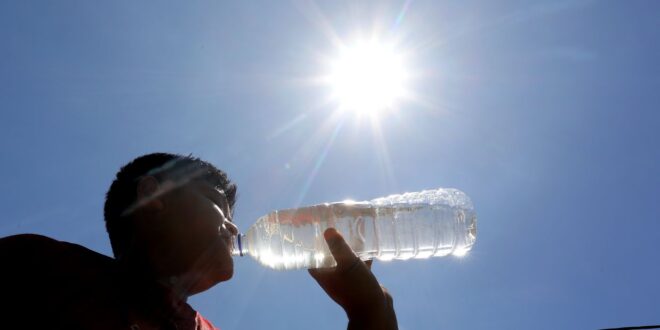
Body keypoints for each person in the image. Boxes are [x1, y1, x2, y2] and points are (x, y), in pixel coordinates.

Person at [0, 152, 397, 330]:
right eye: (216, 203)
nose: (231, 227)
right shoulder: (37, 268)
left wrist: (369, 314)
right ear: (153, 197)